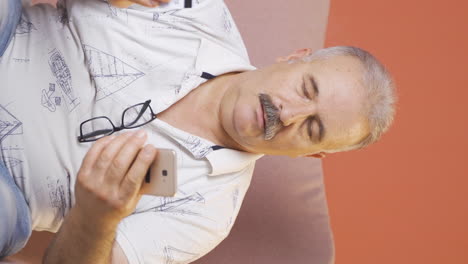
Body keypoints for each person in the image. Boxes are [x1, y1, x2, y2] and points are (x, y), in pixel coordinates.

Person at [0, 0, 396, 263]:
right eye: (306, 88)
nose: (288, 113)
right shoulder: (195, 8)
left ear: (309, 155)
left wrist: (95, 217)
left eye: (312, 128)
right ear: (294, 57)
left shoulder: (208, 216)